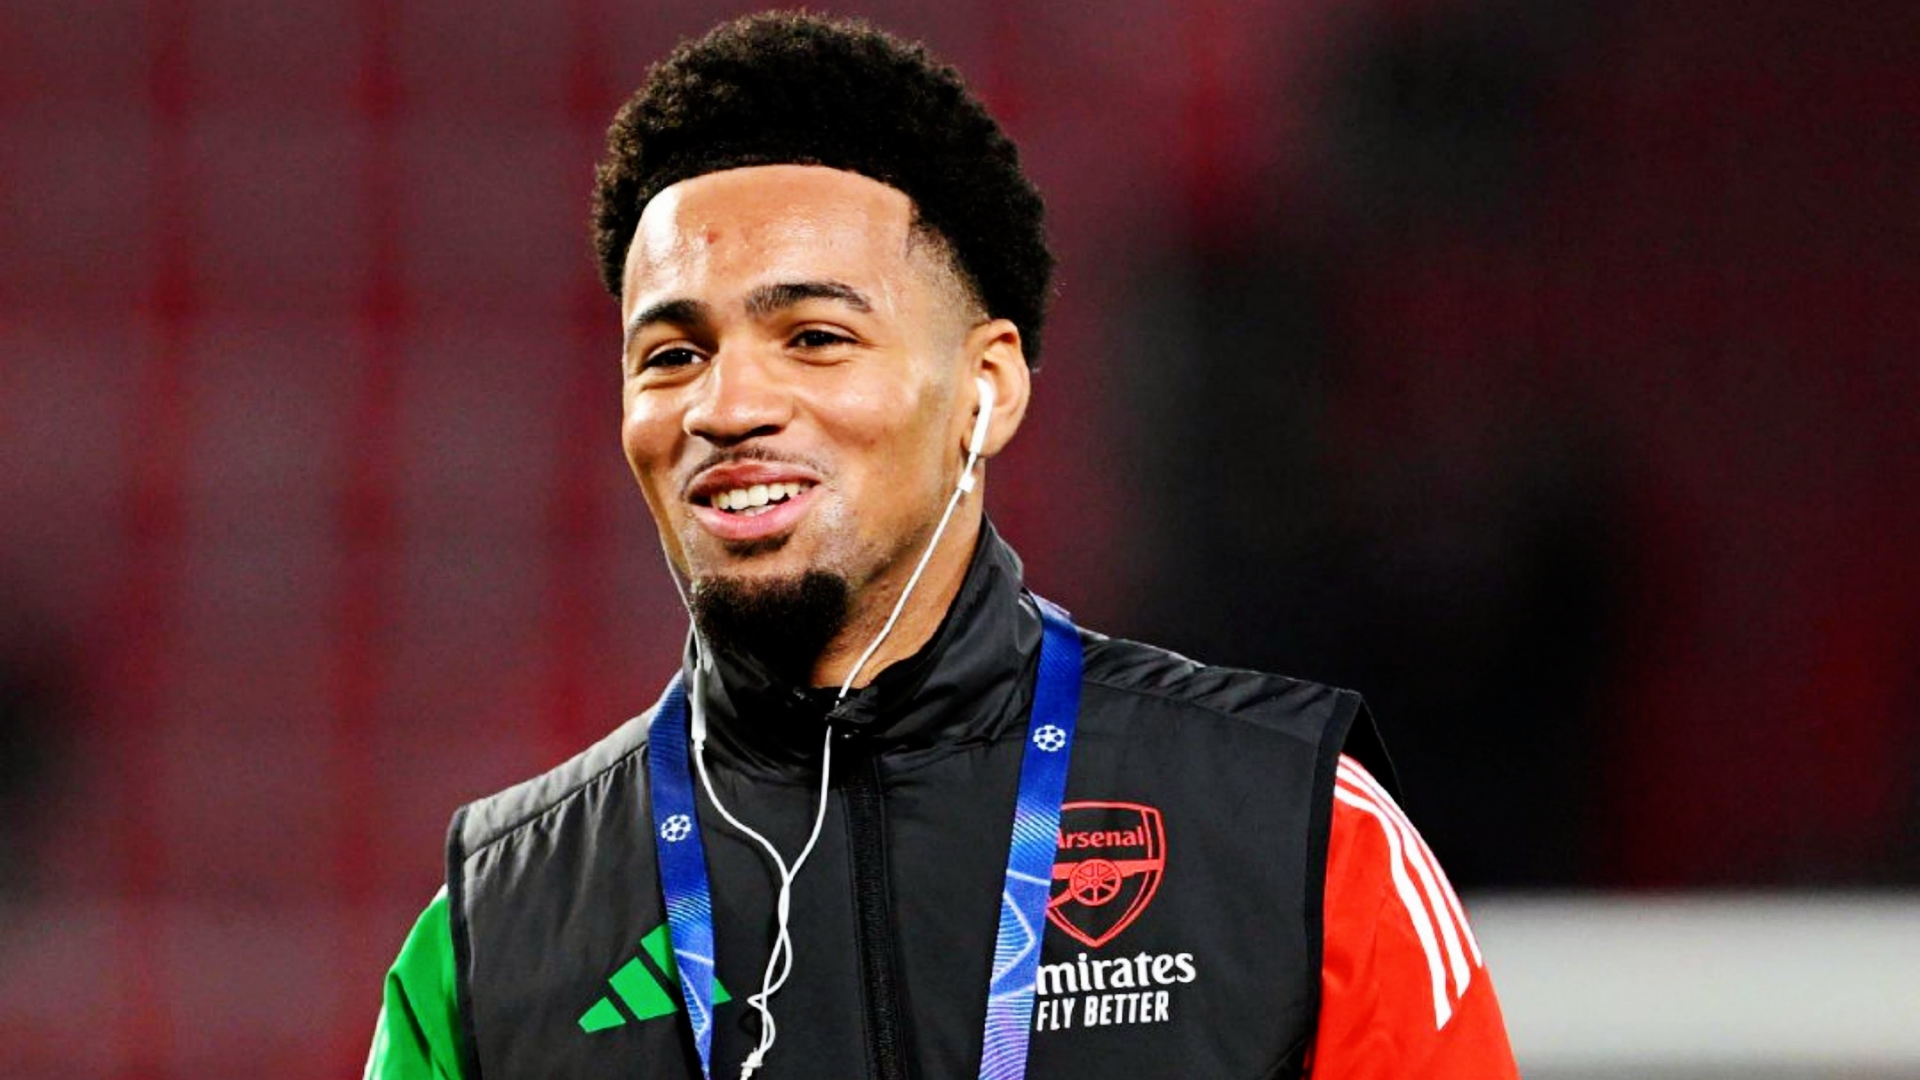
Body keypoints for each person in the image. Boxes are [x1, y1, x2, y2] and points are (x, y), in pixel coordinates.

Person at [364, 12, 1519, 1080]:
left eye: (815, 336)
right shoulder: (492, 936)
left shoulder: (1294, 832)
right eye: (672, 355)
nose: (727, 405)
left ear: (987, 388)